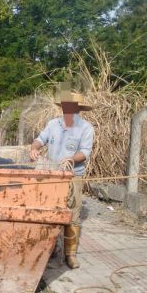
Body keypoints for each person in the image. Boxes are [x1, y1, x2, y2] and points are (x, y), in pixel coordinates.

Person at [29, 90, 94, 269]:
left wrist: (72, 158)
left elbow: (85, 152)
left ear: (78, 109)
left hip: (73, 176)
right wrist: (34, 148)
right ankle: (48, 249)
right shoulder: (53, 124)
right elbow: (40, 140)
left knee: (72, 214)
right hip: (52, 175)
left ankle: (70, 254)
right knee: (48, 211)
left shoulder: (86, 128)